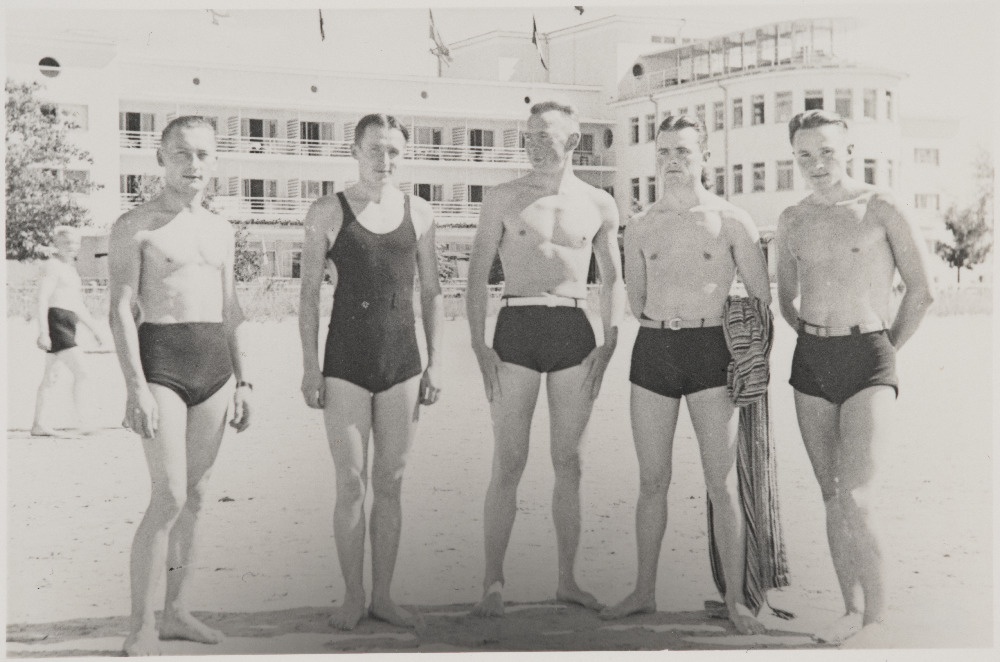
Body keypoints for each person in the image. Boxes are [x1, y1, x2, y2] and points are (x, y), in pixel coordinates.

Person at [600, 115, 771, 635]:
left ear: (705, 158)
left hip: (710, 350)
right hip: (653, 349)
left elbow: (761, 300)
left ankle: (738, 600)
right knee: (652, 481)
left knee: (720, 482)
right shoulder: (642, 225)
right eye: (666, 152)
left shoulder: (731, 220)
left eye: (684, 151)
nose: (674, 161)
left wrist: (748, 361)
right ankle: (643, 591)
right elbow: (635, 299)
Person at [775, 110, 933, 644]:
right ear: (793, 157)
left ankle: (877, 620)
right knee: (829, 494)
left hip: (869, 356)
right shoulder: (792, 218)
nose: (816, 163)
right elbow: (785, 299)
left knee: (857, 498)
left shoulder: (880, 206)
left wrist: (884, 351)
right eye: (804, 155)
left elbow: (921, 289)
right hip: (811, 362)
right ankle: (848, 609)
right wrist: (814, 331)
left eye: (826, 151)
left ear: (847, 148)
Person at [465, 101, 625, 617]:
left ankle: (568, 579)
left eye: (545, 136)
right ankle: (492, 580)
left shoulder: (600, 204)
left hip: (573, 330)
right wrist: (477, 343)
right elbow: (474, 275)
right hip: (516, 327)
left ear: (573, 141)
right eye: (529, 136)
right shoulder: (502, 198)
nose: (533, 145)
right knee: (508, 460)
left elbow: (613, 279)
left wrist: (611, 338)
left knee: (569, 462)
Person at [108, 115, 252, 656]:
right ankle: (141, 624)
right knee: (167, 493)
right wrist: (135, 387)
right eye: (182, 154)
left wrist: (245, 380)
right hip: (162, 363)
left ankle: (176, 613)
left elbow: (232, 309)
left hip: (215, 366)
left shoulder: (222, 228)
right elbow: (120, 309)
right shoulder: (136, 225)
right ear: (161, 158)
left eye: (203, 155)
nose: (194, 165)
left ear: (215, 160)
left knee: (194, 497)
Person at [298, 113, 444, 630]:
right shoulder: (326, 212)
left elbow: (430, 293)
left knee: (393, 480)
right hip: (345, 363)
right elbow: (308, 298)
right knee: (351, 481)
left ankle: (384, 594)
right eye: (375, 150)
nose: (385, 161)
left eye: (394, 152)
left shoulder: (420, 213)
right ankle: (352, 595)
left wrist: (436, 364)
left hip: (402, 362)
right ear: (355, 151)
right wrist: (310, 368)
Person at [32, 225, 107, 436]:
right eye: (67, 243)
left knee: (51, 376)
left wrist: (94, 329)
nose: (73, 247)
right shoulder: (52, 266)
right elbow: (42, 298)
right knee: (83, 371)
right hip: (56, 321)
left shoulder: (70, 269)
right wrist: (43, 332)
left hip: (68, 322)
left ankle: (39, 424)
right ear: (56, 244)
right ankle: (85, 421)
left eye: (76, 243)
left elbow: (77, 304)